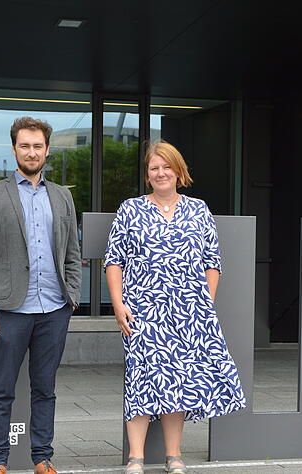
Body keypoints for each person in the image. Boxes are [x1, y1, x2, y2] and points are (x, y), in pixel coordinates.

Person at [104, 141, 247, 474]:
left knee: (176, 381)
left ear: (178, 170)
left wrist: (204, 305)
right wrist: (118, 304)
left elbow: (213, 262)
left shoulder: (198, 210)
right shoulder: (130, 209)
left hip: (187, 313)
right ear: (147, 174)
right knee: (140, 378)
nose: (160, 173)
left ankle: (174, 455)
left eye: (166, 166)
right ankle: (135, 457)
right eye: (154, 168)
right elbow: (114, 262)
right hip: (141, 311)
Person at [0, 116, 81, 474]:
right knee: (2, 389)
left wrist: (72, 299)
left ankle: (42, 458)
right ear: (14, 148)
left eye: (37, 146)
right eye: (24, 145)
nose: (31, 152)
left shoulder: (62, 195)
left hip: (54, 308)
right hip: (9, 309)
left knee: (44, 389)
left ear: (47, 150)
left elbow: (72, 253)